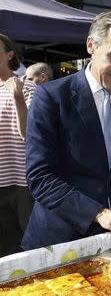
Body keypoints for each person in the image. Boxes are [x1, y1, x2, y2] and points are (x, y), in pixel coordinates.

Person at [23, 11, 111, 250]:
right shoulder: (51, 97)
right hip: (61, 240)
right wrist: (98, 212)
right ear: (91, 45)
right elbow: (40, 177)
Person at [0, 34, 35, 257]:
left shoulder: (27, 87)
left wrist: (18, 98)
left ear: (9, 54)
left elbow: (30, 135)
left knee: (28, 241)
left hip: (21, 180)